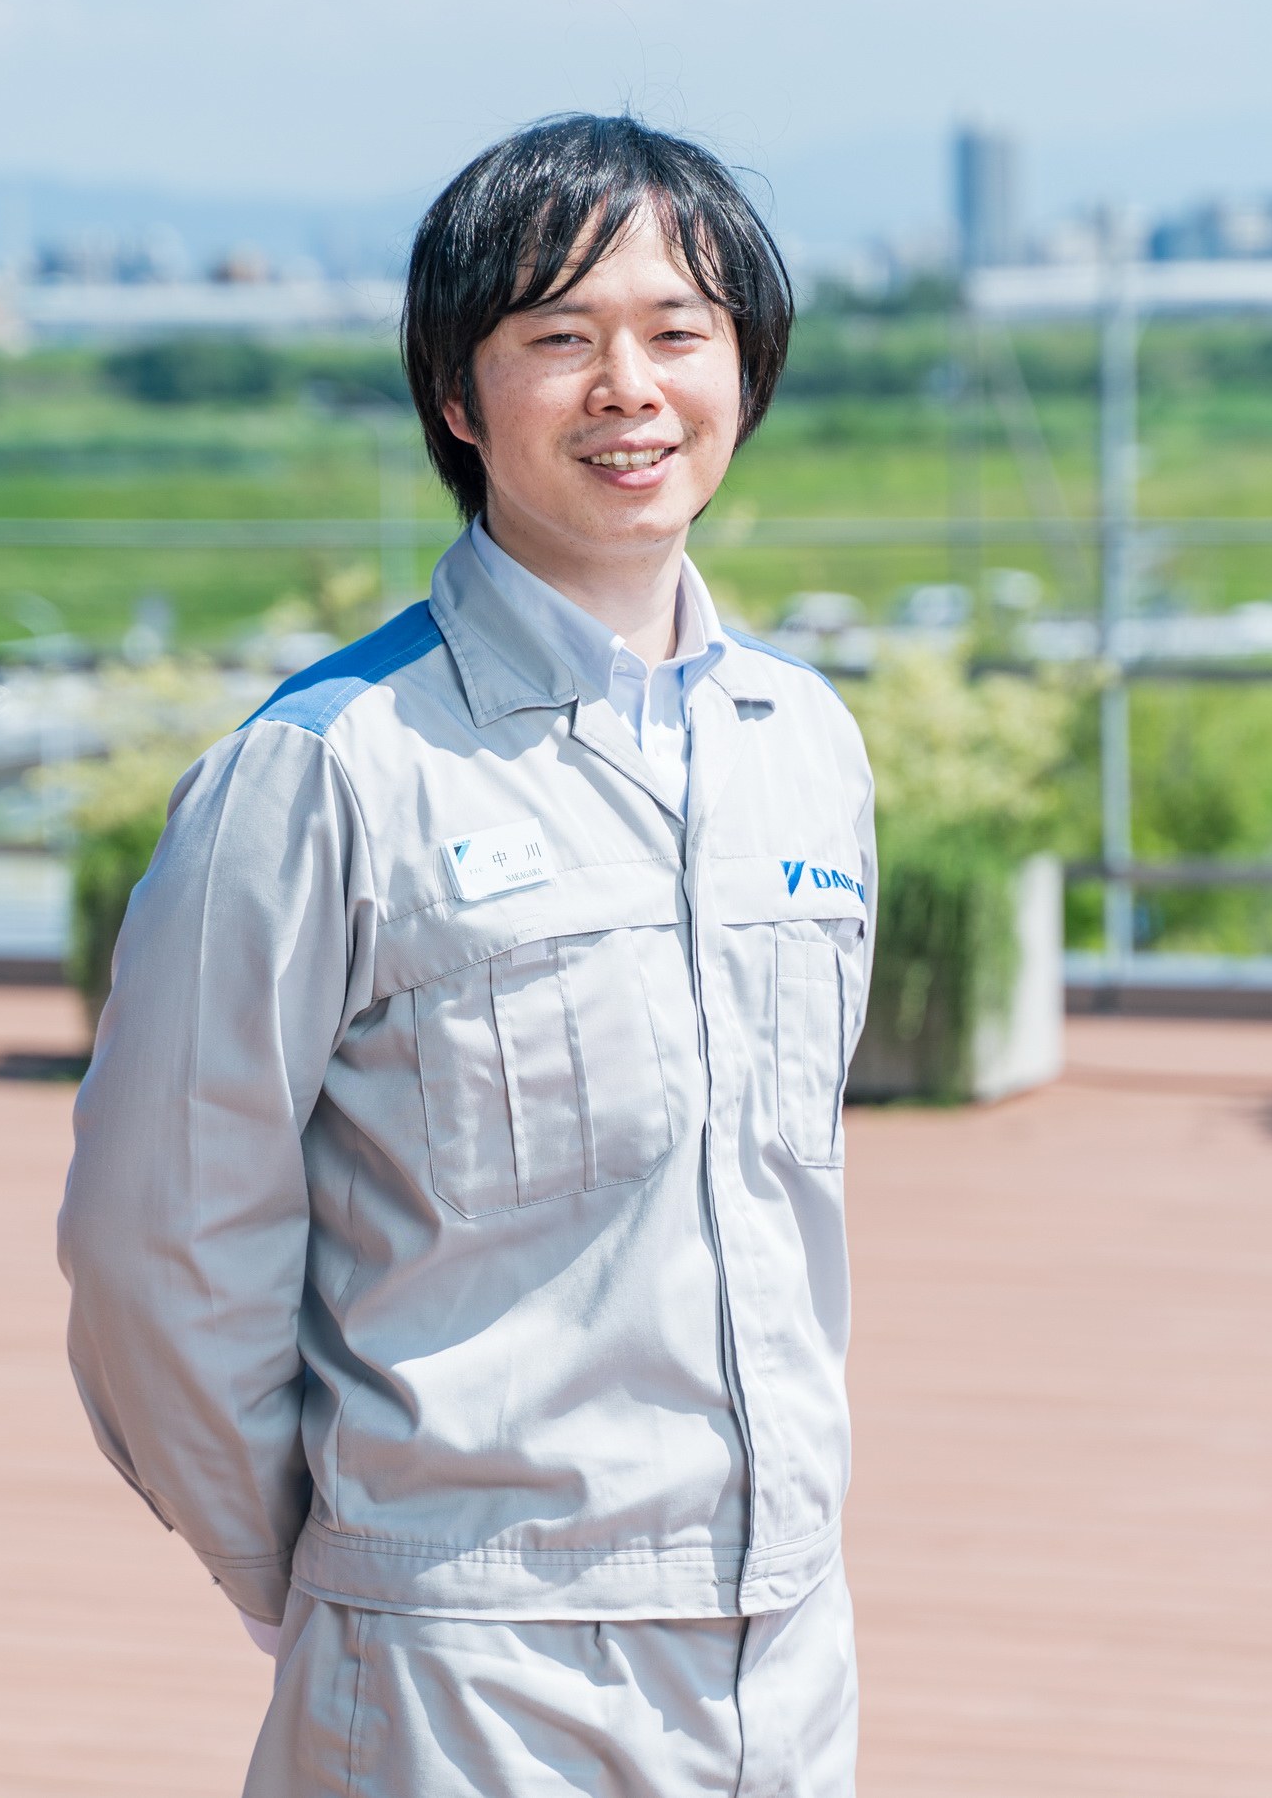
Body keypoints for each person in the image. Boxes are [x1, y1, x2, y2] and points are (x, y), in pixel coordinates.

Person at [58, 114, 873, 1797]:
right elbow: (158, 1247)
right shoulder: (323, 770)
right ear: (455, 392)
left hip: (785, 1655)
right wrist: (345, 1576)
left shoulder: (804, 743)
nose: (630, 387)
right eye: (560, 339)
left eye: (678, 331)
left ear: (746, 367)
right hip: (463, 1674)